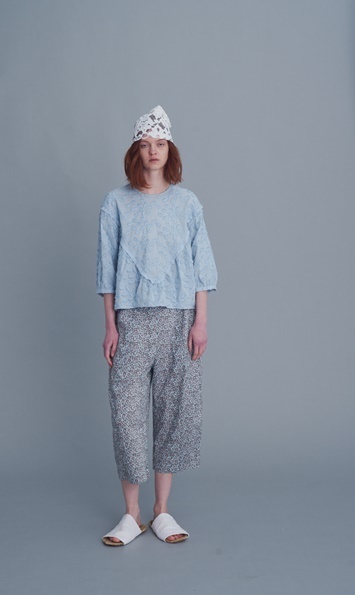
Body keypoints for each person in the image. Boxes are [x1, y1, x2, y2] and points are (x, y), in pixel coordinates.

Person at [96, 105, 218, 546]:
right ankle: (131, 515)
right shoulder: (116, 202)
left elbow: (202, 267)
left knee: (172, 413)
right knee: (127, 415)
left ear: (170, 149)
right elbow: (107, 269)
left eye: (161, 143)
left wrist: (200, 322)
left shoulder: (187, 203)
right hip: (131, 320)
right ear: (136, 150)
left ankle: (162, 510)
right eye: (146, 144)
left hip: (178, 319)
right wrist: (111, 326)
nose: (153, 151)